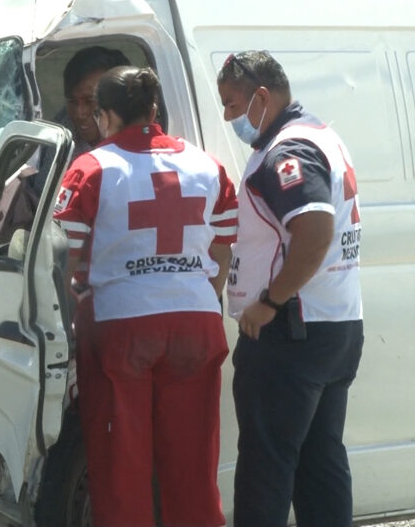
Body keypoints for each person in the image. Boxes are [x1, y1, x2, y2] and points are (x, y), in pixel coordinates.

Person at [54, 65, 238, 527]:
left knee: (122, 471)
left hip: (121, 327)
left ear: (104, 115)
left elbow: (64, 257)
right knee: (194, 469)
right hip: (196, 323)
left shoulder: (91, 168)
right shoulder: (207, 165)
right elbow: (223, 245)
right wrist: (195, 291)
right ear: (155, 109)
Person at [217, 50, 364, 527]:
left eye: (233, 104)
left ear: (262, 96)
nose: (228, 116)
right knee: (320, 466)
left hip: (290, 332)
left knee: (266, 472)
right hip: (334, 326)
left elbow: (315, 228)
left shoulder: (287, 150)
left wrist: (269, 302)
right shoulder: (321, 134)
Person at [55, 45, 130, 161]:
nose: (80, 113)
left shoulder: (147, 145)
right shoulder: (60, 137)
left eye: (90, 101)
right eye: (73, 102)